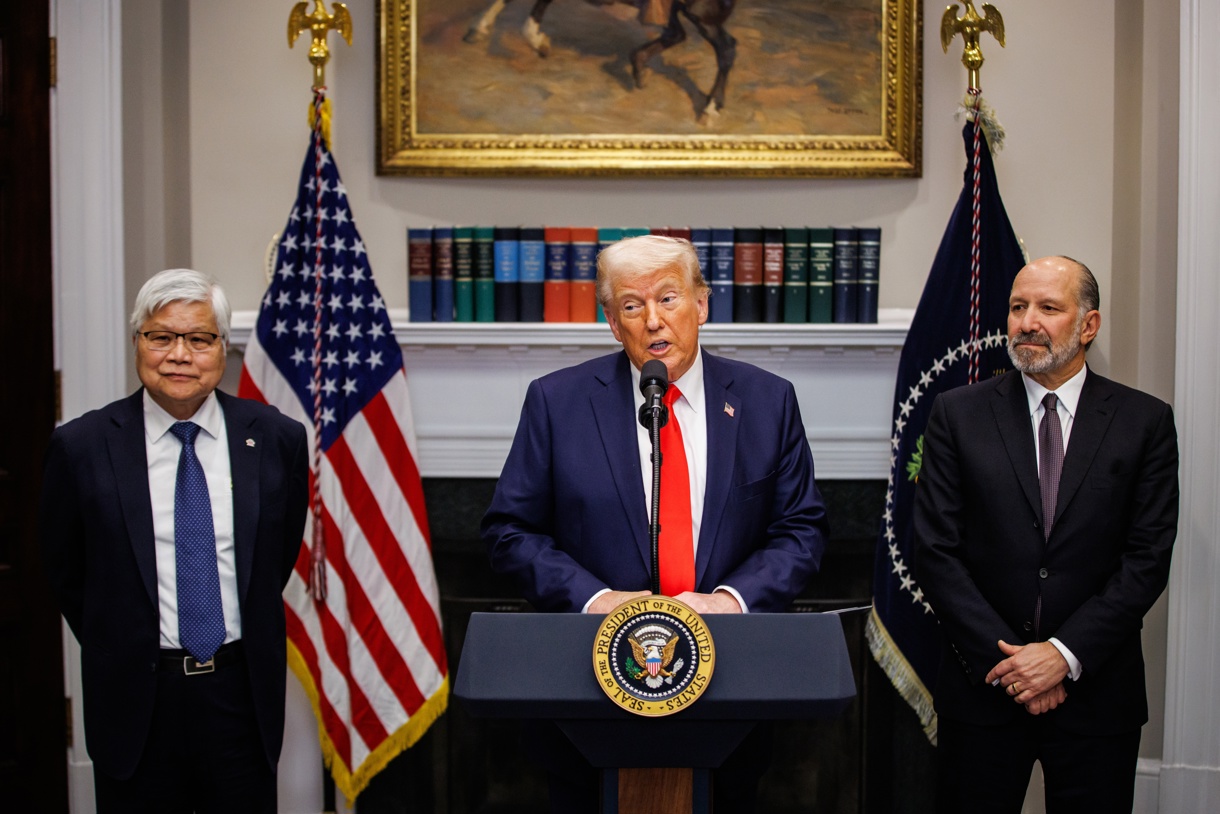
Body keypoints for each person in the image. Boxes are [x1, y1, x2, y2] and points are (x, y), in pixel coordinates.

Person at [482, 235, 829, 811]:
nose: (653, 320)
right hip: (587, 695)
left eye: (669, 298)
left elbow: (801, 531)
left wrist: (731, 600)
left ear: (702, 304)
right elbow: (509, 533)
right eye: (632, 306)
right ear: (613, 323)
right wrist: (595, 599)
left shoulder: (769, 401)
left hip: (729, 691)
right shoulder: (556, 401)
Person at [913, 256, 1179, 812]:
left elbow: (1146, 558)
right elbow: (935, 552)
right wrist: (1015, 665)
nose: (1027, 321)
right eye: (1017, 307)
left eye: (1048, 308)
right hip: (983, 688)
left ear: (1088, 325)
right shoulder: (956, 414)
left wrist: (1062, 654)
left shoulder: (1144, 422)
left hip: (1097, 694)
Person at [41, 269, 309, 813]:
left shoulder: (276, 437)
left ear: (222, 347)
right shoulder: (82, 446)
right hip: (137, 700)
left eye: (199, 338)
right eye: (160, 337)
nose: (179, 354)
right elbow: (67, 574)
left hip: (239, 695)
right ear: (138, 343)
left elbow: (274, 559)